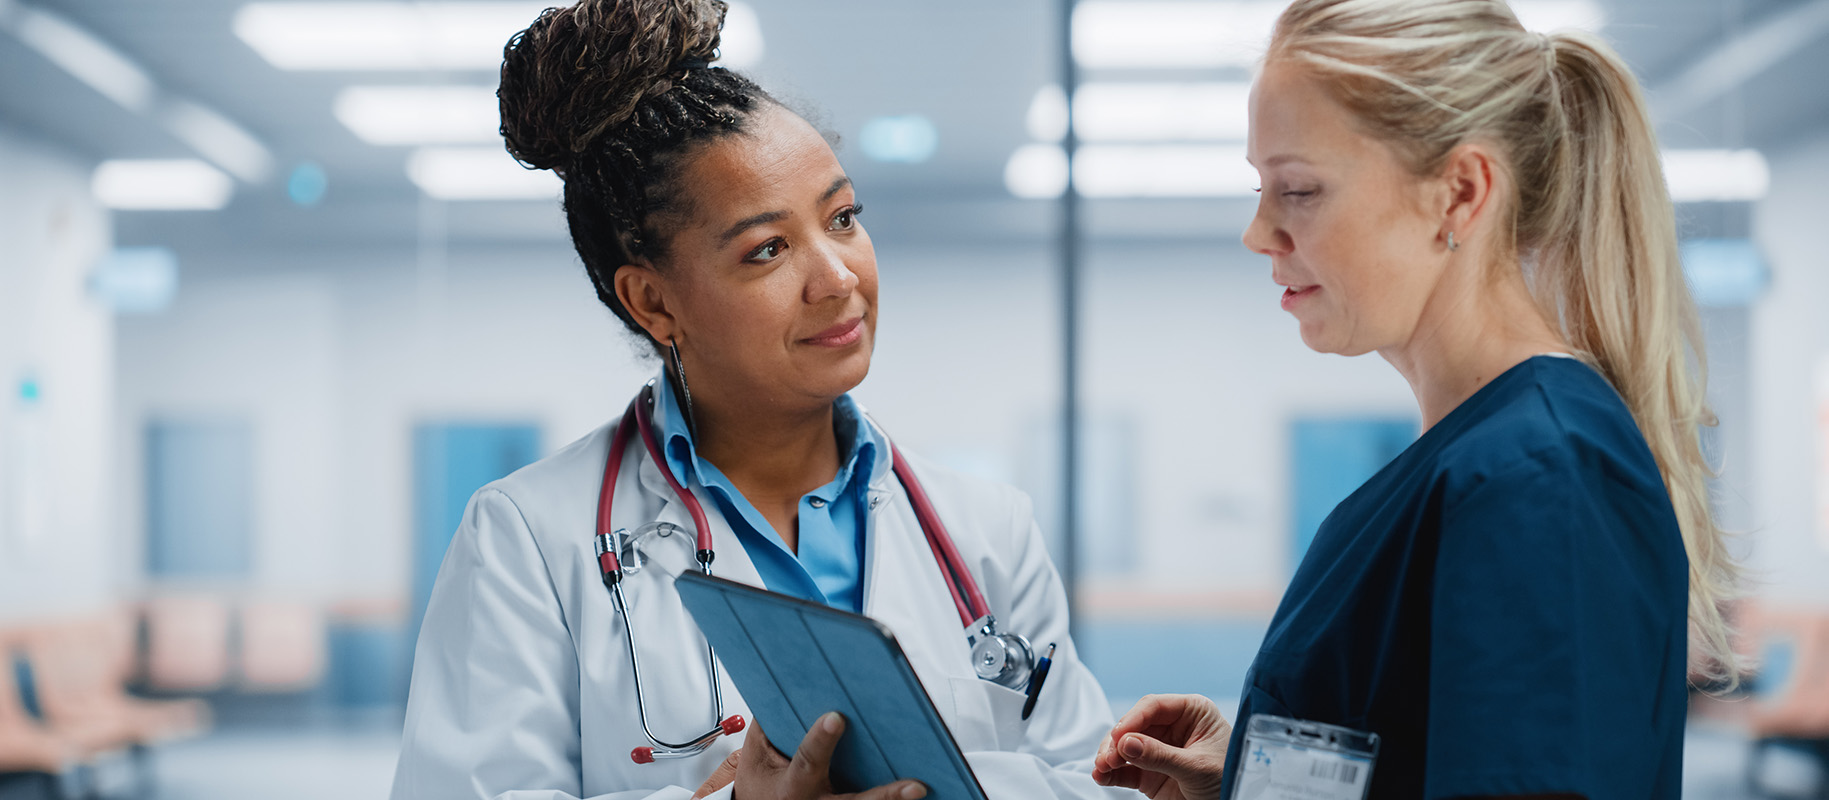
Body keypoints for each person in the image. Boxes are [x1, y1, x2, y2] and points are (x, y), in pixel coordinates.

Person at [390, 2, 1136, 799]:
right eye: (767, 250)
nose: (839, 277)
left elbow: (1089, 778)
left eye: (843, 217)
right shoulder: (530, 539)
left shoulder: (985, 530)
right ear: (653, 302)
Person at [1090, 1, 1739, 798]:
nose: (1258, 231)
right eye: (1262, 187)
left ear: (1459, 193)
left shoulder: (1537, 472)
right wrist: (1249, 778)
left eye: (1297, 189)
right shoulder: (1478, 457)